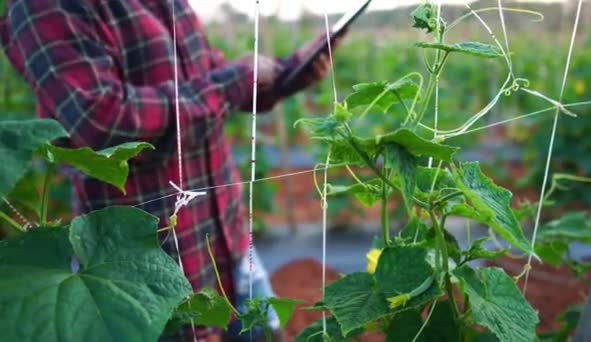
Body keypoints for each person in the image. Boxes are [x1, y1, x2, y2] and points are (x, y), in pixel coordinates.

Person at [0, 0, 342, 341]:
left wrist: (292, 70)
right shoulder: (43, 7)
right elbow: (102, 119)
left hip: (232, 244)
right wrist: (232, 81)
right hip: (151, 274)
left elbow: (214, 77)